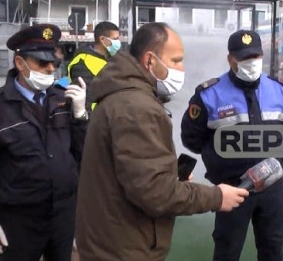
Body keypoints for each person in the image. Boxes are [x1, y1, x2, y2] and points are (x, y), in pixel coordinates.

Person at [75, 23, 249, 261]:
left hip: (113, 239)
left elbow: (134, 174)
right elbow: (155, 193)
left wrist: (169, 175)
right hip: (124, 248)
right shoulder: (137, 107)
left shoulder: (124, 95)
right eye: (176, 60)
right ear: (150, 60)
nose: (182, 68)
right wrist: (217, 197)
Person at [181, 30, 283, 261]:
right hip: (232, 188)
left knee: (273, 249)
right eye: (243, 58)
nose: (251, 63)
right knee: (227, 251)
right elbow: (191, 138)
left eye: (255, 56)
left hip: (272, 188)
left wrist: (281, 165)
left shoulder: (281, 91)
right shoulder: (209, 95)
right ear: (230, 59)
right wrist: (219, 162)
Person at [0, 24, 88, 261]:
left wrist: (81, 116)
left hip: (63, 215)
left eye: (54, 62)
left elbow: (82, 154)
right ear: (20, 63)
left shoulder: (64, 101)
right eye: (42, 63)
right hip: (20, 220)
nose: (51, 68)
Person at [67, 21, 120, 112]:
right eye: (115, 39)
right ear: (102, 39)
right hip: (98, 120)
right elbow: (83, 101)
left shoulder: (112, 58)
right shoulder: (82, 63)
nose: (118, 42)